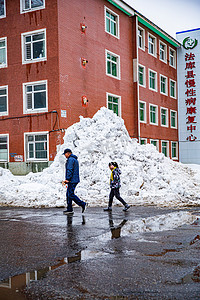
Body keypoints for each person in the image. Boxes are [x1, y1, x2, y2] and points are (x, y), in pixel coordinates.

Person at [62, 148, 87, 215]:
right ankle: (69, 209)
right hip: (74, 179)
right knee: (68, 194)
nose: (65, 156)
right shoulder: (74, 159)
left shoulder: (70, 160)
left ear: (68, 153)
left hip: (72, 180)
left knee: (70, 194)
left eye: (65, 154)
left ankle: (82, 204)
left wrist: (67, 179)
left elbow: (70, 170)